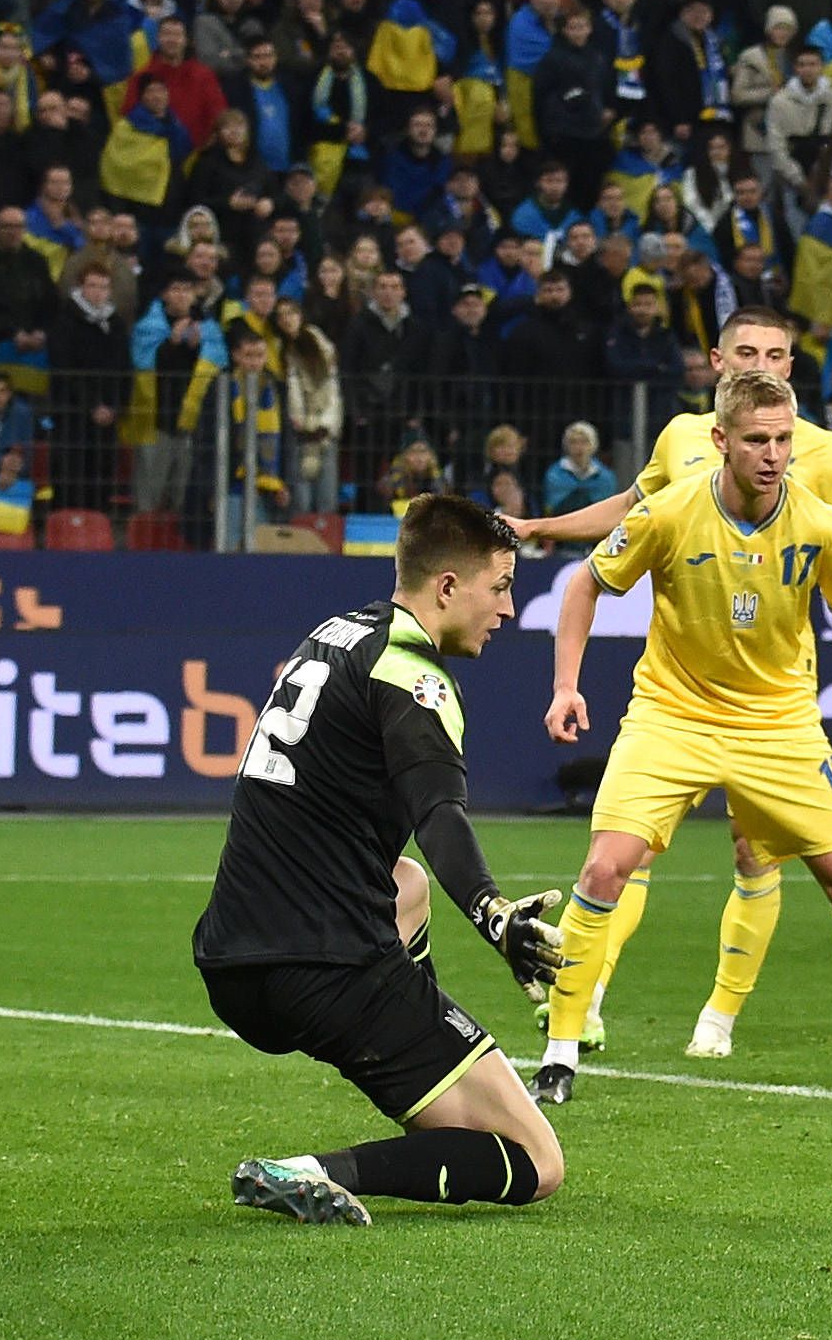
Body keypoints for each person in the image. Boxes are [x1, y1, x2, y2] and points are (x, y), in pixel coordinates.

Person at [506, 307, 832, 1059]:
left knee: (755, 852)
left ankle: (720, 1015)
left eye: (773, 353)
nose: (755, 362)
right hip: (681, 692)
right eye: (744, 351)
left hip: (776, 696)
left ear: (792, 371)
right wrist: (547, 527)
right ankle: (586, 998)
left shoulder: (824, 456)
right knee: (621, 854)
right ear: (716, 361)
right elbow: (631, 517)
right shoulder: (681, 439)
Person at [193, 497, 569, 1225]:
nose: (510, 609)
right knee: (536, 1162)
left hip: (234, 962)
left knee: (408, 886)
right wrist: (495, 916)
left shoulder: (336, 634)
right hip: (323, 967)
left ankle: (424, 1058)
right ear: (449, 587)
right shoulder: (410, 672)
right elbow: (439, 816)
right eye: (500, 586)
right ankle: (312, 1172)